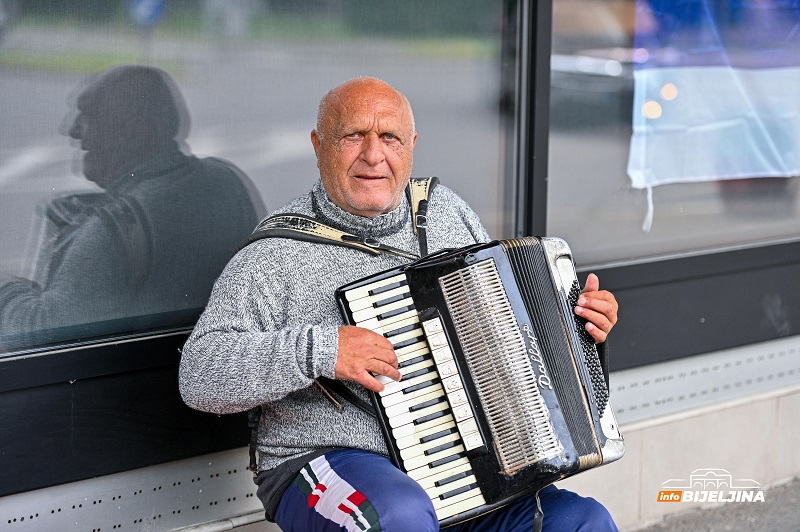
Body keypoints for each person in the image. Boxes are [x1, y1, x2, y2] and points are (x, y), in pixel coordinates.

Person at [179, 77, 620, 531]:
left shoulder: (447, 212)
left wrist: (579, 329)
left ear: (411, 144)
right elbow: (198, 375)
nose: (373, 155)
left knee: (584, 521)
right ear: (318, 145)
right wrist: (320, 350)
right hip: (327, 458)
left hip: (469, 469)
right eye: (353, 136)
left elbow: (508, 332)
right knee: (396, 517)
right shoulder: (274, 255)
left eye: (389, 137)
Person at [0, 65, 264, 349]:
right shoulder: (224, 180)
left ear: (133, 130)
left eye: (90, 115)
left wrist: (7, 290)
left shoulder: (115, 230)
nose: (73, 129)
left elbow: (42, 331)